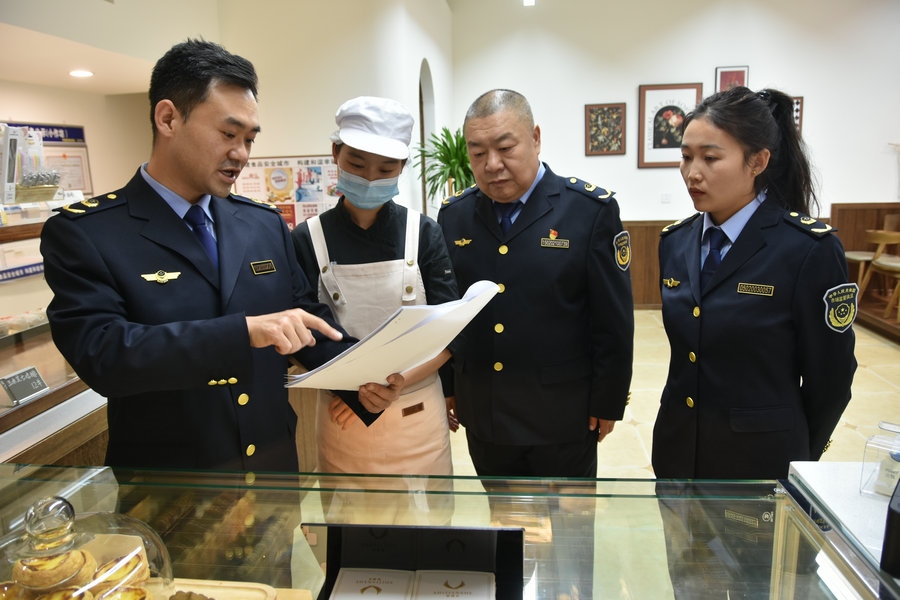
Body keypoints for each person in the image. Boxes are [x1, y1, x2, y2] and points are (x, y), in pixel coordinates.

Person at [40, 39, 403, 473]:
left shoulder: (262, 224)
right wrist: (242, 333)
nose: (241, 155)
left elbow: (304, 318)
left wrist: (361, 379)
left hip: (272, 472)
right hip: (170, 486)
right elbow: (104, 355)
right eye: (228, 135)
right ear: (168, 118)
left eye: (249, 139)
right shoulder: (89, 232)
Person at [653, 86, 856, 598]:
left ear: (758, 161)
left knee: (762, 589)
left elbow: (832, 378)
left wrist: (794, 453)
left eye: (710, 158)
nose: (692, 172)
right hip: (679, 463)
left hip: (761, 473)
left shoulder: (805, 249)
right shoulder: (676, 242)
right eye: (686, 157)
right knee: (689, 586)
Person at [438, 89, 634, 600]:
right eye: (478, 152)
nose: (492, 164)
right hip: (486, 411)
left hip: (563, 416)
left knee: (569, 541)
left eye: (505, 147)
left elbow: (613, 320)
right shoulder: (455, 216)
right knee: (507, 533)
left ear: (536, 138)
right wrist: (449, 387)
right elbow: (449, 316)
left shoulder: (588, 210)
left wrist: (608, 400)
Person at [291, 96, 459, 477]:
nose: (369, 178)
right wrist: (353, 392)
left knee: (427, 514)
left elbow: (450, 334)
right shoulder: (306, 239)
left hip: (417, 413)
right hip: (342, 415)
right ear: (335, 153)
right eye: (356, 163)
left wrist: (390, 386)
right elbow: (302, 331)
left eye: (385, 168)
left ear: (402, 166)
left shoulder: (425, 232)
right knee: (347, 513)